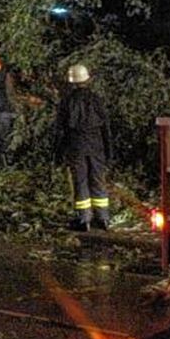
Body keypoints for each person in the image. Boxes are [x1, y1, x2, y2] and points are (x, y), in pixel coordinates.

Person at [53, 64, 112, 232]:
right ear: (88, 79)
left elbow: (60, 130)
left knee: (80, 182)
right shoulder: (96, 99)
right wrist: (109, 151)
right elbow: (106, 127)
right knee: (98, 180)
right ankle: (103, 218)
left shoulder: (66, 102)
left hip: (76, 146)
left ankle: (84, 220)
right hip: (96, 147)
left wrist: (57, 154)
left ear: (71, 82)